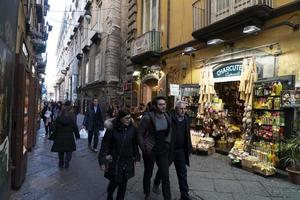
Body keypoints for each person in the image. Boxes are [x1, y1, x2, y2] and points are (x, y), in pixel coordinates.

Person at [153, 100, 193, 200]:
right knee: (163, 169)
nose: (183, 111)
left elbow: (187, 135)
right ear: (176, 109)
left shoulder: (186, 119)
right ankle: (156, 182)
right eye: (181, 109)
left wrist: (189, 149)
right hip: (169, 150)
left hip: (181, 151)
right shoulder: (169, 117)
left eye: (185, 109)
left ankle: (184, 195)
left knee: (182, 173)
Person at [98, 108, 140, 200]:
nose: (128, 120)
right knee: (114, 182)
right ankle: (110, 194)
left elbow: (135, 145)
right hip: (115, 161)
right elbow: (105, 145)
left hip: (127, 161)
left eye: (129, 118)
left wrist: (137, 158)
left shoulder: (132, 129)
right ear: (120, 118)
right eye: (126, 118)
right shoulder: (112, 129)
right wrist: (102, 161)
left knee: (123, 184)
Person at [137, 96, 172, 200]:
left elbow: (169, 131)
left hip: (162, 150)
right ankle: (147, 193)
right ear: (155, 106)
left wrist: (167, 143)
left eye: (164, 104)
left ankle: (167, 197)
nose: (163, 106)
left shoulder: (167, 116)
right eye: (160, 105)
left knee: (165, 174)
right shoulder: (148, 117)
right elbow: (139, 134)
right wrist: (144, 148)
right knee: (148, 172)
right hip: (150, 150)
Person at [50, 101, 80, 168]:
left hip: (60, 137)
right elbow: (75, 127)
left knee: (61, 151)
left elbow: (53, 128)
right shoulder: (71, 119)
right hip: (69, 137)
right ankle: (67, 160)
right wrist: (77, 136)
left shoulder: (58, 119)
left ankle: (61, 162)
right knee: (69, 150)